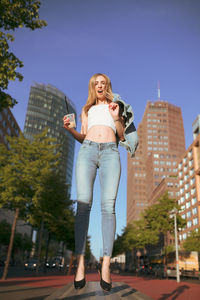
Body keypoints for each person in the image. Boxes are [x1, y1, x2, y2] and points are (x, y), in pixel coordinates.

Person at [63, 73, 125, 291]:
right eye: (96, 83)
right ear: (92, 87)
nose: (100, 85)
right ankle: (80, 263)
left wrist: (116, 117)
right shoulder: (86, 109)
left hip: (110, 152)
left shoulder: (116, 106)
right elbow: (83, 135)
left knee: (109, 207)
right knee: (83, 205)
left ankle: (105, 265)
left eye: (103, 82)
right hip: (87, 151)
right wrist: (71, 129)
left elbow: (122, 136)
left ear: (107, 85)